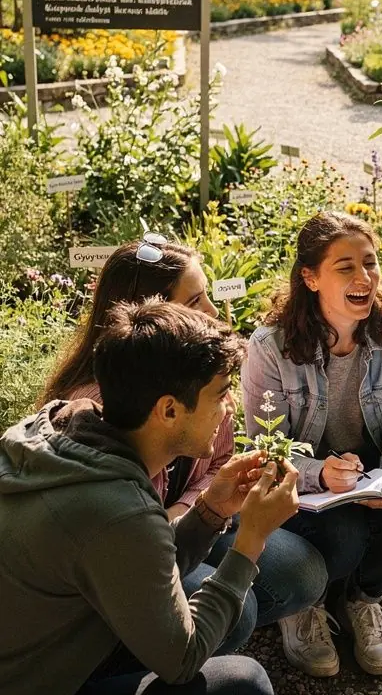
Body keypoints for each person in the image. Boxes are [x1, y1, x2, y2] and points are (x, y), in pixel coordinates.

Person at [0, 299, 299, 695]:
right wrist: (249, 541)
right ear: (168, 409)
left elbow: (129, 570)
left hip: (21, 691)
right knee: (241, 693)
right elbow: (182, 658)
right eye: (219, 396)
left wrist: (212, 511)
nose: (227, 412)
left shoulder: (58, 433)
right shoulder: (116, 509)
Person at [42, 236, 328, 650]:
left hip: (185, 525)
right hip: (126, 561)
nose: (213, 314)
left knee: (303, 572)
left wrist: (194, 509)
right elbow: (129, 544)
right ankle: (149, 658)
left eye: (209, 296)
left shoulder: (200, 380)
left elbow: (219, 459)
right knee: (233, 614)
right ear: (148, 320)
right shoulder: (98, 413)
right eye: (194, 303)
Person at [242, 212, 382, 678]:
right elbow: (266, 447)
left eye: (370, 263)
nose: (364, 278)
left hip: (372, 473)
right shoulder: (269, 347)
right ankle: (305, 606)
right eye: (345, 267)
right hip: (305, 478)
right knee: (342, 534)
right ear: (310, 278)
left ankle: (363, 602)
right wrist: (318, 473)